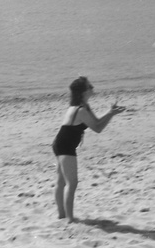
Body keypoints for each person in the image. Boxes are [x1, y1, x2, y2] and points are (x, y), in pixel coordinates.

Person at [52, 76, 125, 223]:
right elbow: (97, 128)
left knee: (61, 181)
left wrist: (111, 113)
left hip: (60, 143)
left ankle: (62, 215)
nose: (93, 88)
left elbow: (97, 123)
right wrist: (111, 114)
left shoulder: (82, 106)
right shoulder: (80, 110)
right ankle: (69, 219)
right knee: (71, 183)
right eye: (90, 86)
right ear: (84, 91)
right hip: (65, 145)